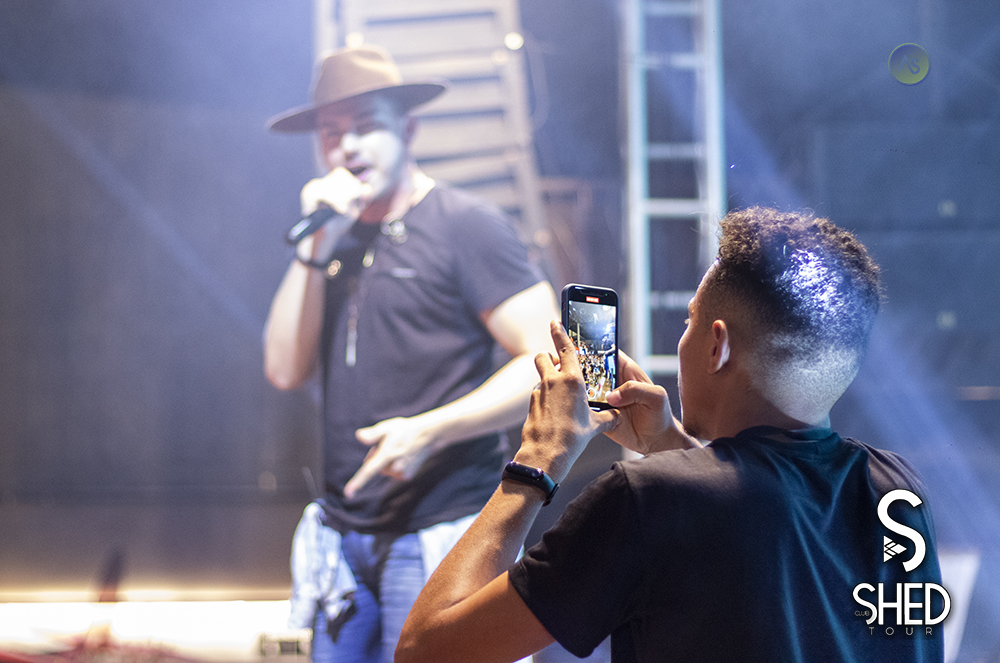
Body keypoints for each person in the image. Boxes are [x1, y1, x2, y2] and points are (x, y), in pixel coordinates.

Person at [396, 207, 945, 662]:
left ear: (717, 346)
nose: (683, 339)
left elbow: (426, 650)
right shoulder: (895, 489)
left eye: (689, 321)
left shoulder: (646, 500)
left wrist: (537, 460)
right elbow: (769, 538)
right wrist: (671, 446)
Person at [263, 45, 558, 663]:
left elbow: (551, 360)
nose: (347, 147)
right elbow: (284, 369)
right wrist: (315, 246)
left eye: (366, 126)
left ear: (409, 129)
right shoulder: (334, 239)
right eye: (331, 133)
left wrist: (431, 429)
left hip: (439, 528)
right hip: (344, 534)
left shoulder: (463, 225)